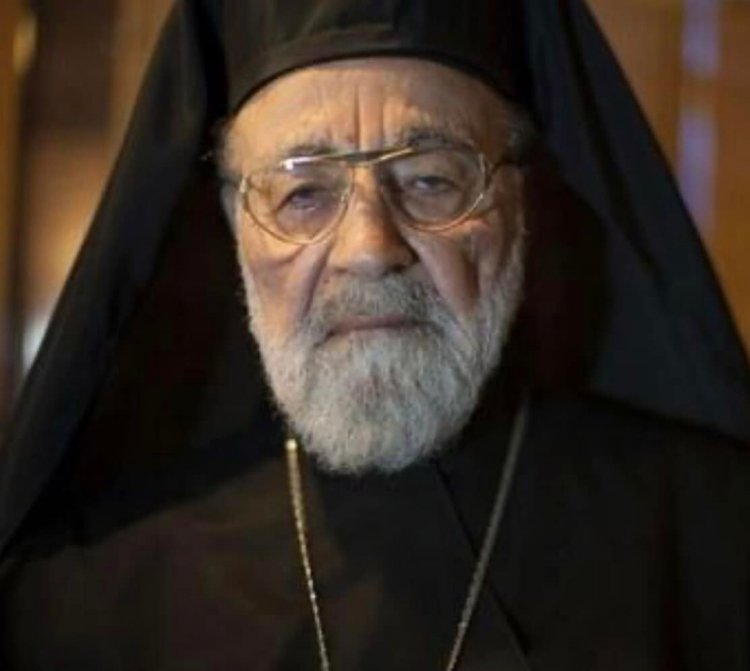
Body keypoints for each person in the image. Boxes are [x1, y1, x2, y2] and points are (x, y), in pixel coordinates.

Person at [1, 0, 749, 669]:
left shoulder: (717, 543)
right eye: (303, 192)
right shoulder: (83, 608)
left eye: (430, 180)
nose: (368, 249)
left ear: (517, 203)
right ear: (234, 226)